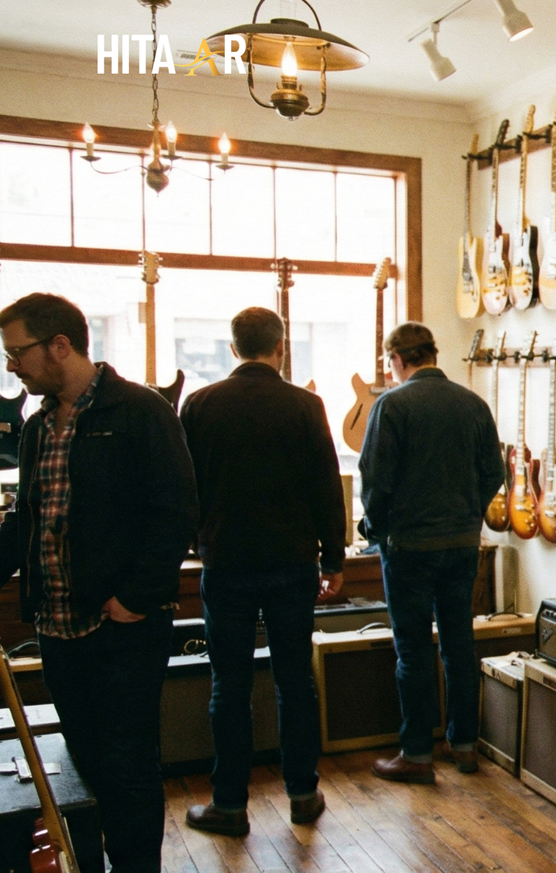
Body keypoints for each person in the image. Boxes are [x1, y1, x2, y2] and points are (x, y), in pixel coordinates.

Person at [0, 293, 198, 873]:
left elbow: (176, 511)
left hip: (121, 627)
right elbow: (24, 521)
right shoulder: (38, 428)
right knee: (84, 764)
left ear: (60, 345)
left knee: (130, 766)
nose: (12, 366)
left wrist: (132, 599)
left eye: (18, 353)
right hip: (57, 628)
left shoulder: (140, 411)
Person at [178, 307, 345, 836]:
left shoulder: (200, 404)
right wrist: (335, 559)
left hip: (225, 561)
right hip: (292, 562)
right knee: (294, 679)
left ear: (233, 349)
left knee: (228, 685)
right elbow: (326, 485)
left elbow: (186, 486)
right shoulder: (305, 405)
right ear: (281, 347)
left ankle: (228, 804)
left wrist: (195, 542)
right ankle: (302, 793)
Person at [358, 322, 502, 783]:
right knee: (460, 646)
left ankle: (417, 754)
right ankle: (464, 746)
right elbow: (494, 473)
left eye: (390, 363)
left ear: (398, 359)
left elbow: (376, 481)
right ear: (432, 354)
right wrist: (467, 515)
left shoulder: (392, 405)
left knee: (414, 650)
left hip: (409, 548)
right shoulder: (473, 404)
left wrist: (374, 528)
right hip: (461, 545)